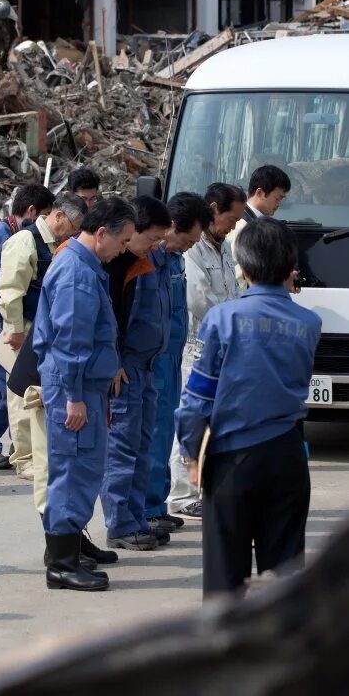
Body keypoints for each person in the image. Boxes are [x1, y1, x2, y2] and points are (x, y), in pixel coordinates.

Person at [176, 218, 320, 596]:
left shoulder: (224, 318)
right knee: (285, 576)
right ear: (291, 267)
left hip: (231, 459)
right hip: (288, 454)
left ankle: (225, 651)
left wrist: (192, 453)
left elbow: (198, 398)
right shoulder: (309, 322)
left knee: (225, 576)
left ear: (242, 267)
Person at [35, 198, 135, 591]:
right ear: (101, 233)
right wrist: (74, 397)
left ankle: (68, 551)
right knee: (73, 473)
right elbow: (71, 341)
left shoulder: (86, 266)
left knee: (81, 470)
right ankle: (60, 564)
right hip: (72, 389)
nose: (124, 248)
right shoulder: (77, 272)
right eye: (123, 241)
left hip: (81, 387)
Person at [167, 183, 246, 519]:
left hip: (223, 346)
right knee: (189, 421)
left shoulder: (224, 247)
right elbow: (200, 301)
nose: (232, 226)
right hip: (198, 348)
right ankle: (182, 495)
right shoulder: (192, 249)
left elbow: (233, 290)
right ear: (214, 209)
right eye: (230, 218)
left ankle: (202, 487)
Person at [0, 184, 55, 471]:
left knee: (14, 377)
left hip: (3, 314)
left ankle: (16, 442)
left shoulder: (26, 237)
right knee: (7, 377)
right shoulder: (1, 236)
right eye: (46, 215)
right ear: (31, 212)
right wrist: (23, 270)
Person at [100, 196, 172, 552]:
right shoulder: (114, 266)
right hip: (123, 369)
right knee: (122, 450)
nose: (156, 246)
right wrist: (112, 361)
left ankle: (137, 516)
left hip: (144, 367)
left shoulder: (141, 263)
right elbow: (106, 321)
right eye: (152, 238)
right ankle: (120, 523)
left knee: (142, 446)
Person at [142, 193, 213, 536]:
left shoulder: (173, 260)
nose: (188, 248)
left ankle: (157, 504)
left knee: (166, 432)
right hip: (150, 360)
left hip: (171, 357)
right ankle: (145, 511)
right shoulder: (147, 258)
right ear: (171, 228)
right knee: (151, 436)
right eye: (187, 240)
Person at [0, 185, 61, 479]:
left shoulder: (51, 242)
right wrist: (12, 330)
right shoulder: (24, 241)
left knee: (39, 394)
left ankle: (39, 453)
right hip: (22, 328)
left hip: (41, 327)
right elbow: (10, 289)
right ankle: (24, 459)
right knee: (21, 393)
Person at [228, 165, 291, 290]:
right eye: (277, 198)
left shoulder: (256, 223)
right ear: (260, 193)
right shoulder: (241, 226)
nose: (279, 205)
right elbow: (238, 278)